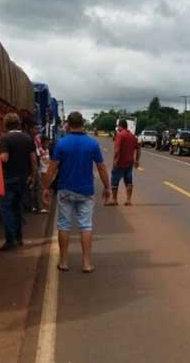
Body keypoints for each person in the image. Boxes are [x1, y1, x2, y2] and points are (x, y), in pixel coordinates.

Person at [43, 111, 111, 273]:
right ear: (83, 124)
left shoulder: (62, 144)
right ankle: (86, 263)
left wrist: (46, 187)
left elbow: (52, 168)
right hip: (85, 191)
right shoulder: (92, 144)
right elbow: (101, 168)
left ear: (68, 124)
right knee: (86, 226)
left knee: (64, 225)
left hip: (65, 189)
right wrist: (107, 187)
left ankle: (64, 262)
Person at [0, 113, 37, 251]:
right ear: (18, 124)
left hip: (9, 179)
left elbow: (4, 158)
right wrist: (33, 175)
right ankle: (19, 238)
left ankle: (10, 239)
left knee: (5, 208)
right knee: (17, 208)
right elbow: (33, 159)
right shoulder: (27, 138)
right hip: (23, 178)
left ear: (5, 125)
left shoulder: (5, 139)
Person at [109, 119, 140, 206]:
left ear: (120, 126)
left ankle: (114, 200)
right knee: (128, 181)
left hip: (120, 163)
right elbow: (138, 148)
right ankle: (128, 200)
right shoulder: (132, 136)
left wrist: (115, 160)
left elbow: (117, 149)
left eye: (118, 127)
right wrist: (137, 160)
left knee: (114, 180)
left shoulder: (120, 135)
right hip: (129, 163)